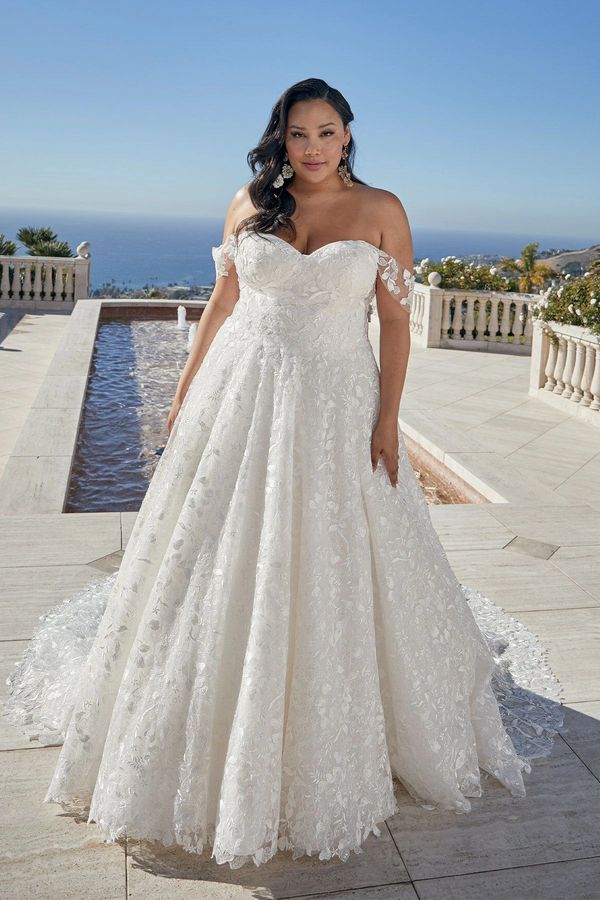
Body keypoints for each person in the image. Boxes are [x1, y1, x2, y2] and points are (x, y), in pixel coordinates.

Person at [2, 77, 563, 870]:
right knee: (211, 560)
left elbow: (396, 327)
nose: (311, 149)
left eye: (326, 132)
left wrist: (387, 422)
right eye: (298, 134)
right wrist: (183, 395)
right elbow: (222, 305)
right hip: (242, 393)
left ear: (347, 134)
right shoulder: (247, 201)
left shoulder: (381, 211)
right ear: (281, 137)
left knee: (329, 559)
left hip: (337, 405)